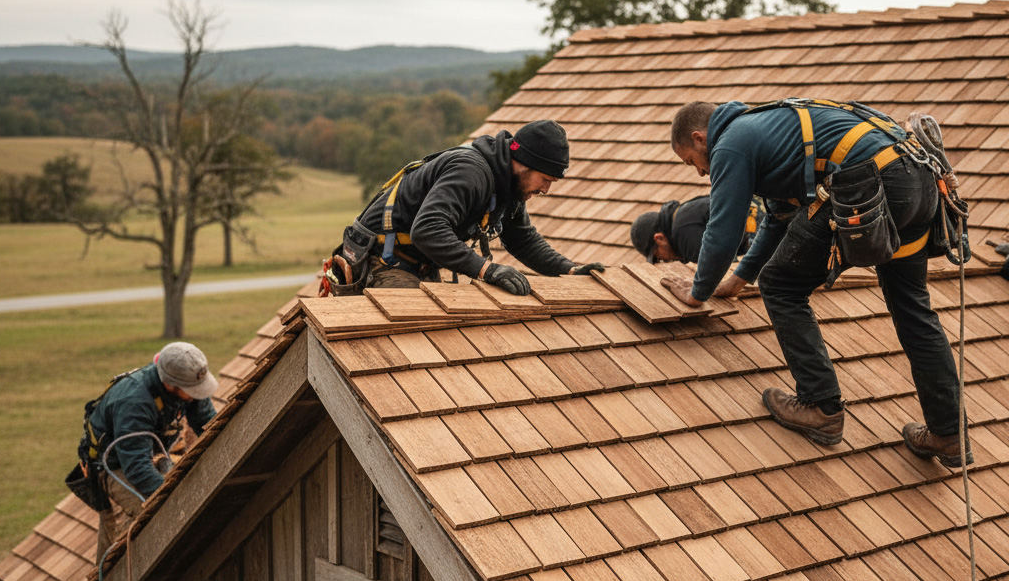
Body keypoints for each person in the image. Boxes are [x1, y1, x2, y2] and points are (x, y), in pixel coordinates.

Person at [664, 98, 970, 467]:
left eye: (691, 162)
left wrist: (698, 291)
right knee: (913, 311)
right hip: (916, 183)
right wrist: (737, 280)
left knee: (780, 285)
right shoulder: (767, 129)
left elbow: (723, 228)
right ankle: (947, 434)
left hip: (872, 183)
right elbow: (778, 218)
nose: (699, 173)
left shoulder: (730, 142)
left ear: (700, 139)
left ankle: (820, 407)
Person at [323, 120, 603, 295]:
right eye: (545, 179)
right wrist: (488, 271)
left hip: (417, 262)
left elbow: (523, 240)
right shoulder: (471, 172)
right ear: (524, 164)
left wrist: (569, 270)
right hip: (380, 259)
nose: (545, 190)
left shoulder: (509, 186)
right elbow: (428, 230)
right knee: (416, 330)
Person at [79, 342, 218, 561]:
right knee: (150, 520)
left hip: (147, 452)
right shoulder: (133, 402)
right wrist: (175, 501)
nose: (196, 395)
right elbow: (138, 469)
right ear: (169, 385)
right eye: (191, 392)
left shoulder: (187, 386)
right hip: (114, 467)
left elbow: (208, 423)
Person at [629, 195, 755, 264]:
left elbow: (720, 271)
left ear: (659, 239)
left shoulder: (683, 233)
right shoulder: (683, 216)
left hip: (758, 228)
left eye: (657, 257)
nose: (664, 261)